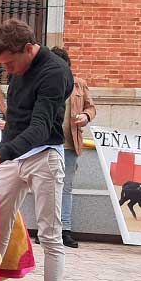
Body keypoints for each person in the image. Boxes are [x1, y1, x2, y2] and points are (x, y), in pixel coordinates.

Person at [0, 19, 73, 281]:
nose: (7, 71)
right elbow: (18, 119)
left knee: (50, 235)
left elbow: (41, 127)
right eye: (2, 65)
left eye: (9, 64)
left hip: (45, 156)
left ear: (29, 49)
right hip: (14, 155)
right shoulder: (18, 68)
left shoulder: (55, 72)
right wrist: (4, 148)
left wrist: (2, 153)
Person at [50, 46, 97, 249]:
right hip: (48, 142)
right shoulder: (43, 82)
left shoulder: (79, 84)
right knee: (47, 187)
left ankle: (65, 229)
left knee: (66, 187)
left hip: (70, 143)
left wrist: (85, 116)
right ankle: (49, 230)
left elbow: (91, 107)